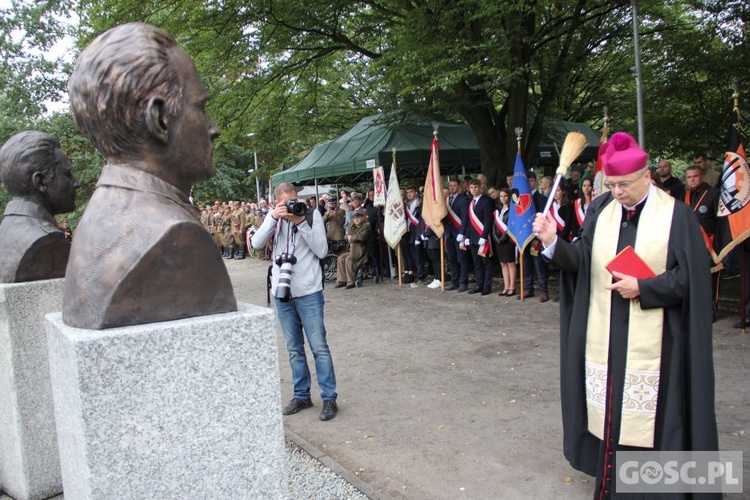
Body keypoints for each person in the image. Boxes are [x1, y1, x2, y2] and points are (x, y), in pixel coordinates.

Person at [533, 132, 718, 499]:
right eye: (612, 184)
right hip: (607, 338)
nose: (617, 192)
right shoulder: (601, 210)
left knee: (657, 420)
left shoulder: (677, 215)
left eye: (624, 185)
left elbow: (693, 279)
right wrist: (554, 242)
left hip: (658, 342)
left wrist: (646, 288)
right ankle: (614, 485)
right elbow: (583, 263)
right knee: (613, 415)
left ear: (646, 176)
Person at [63, 22, 237, 329]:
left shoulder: (100, 216)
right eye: (200, 107)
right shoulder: (172, 235)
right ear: (159, 119)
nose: (214, 128)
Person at [251, 182, 338, 421]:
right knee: (294, 349)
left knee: (319, 347)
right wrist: (272, 217)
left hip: (309, 291)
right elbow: (256, 244)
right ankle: (301, 395)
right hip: (283, 292)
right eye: (285, 202)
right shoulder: (274, 218)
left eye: (294, 200)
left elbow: (321, 250)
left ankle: (329, 397)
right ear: (276, 202)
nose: (291, 205)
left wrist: (301, 223)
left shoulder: (311, 215)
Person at [0, 130, 79, 282]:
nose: (76, 183)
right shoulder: (46, 243)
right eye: (67, 174)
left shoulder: (5, 230)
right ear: (40, 182)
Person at [459, 178, 494, 295]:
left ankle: (487, 286)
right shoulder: (470, 203)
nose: (473, 190)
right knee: (476, 263)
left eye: (476, 187)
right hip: (473, 238)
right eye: (471, 188)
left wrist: (484, 236)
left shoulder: (486, 201)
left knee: (486, 263)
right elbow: (468, 221)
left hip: (483, 237)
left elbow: (488, 220)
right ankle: (479, 284)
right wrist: (467, 236)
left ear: (480, 188)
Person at [443, 179, 470, 291]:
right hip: (449, 234)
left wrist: (462, 233)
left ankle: (463, 282)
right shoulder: (446, 200)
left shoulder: (463, 200)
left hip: (459, 234)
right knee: (452, 259)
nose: (452, 187)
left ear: (459, 187)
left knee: (462, 259)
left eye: (454, 185)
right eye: (450, 185)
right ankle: (454, 282)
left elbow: (465, 218)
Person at [335, 208, 371, 289]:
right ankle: (342, 280)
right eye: (354, 218)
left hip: (361, 250)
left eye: (358, 218)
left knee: (349, 259)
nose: (356, 220)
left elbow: (362, 237)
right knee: (340, 258)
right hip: (352, 249)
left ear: (362, 217)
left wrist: (351, 238)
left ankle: (351, 281)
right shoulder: (353, 226)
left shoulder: (366, 225)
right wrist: (347, 236)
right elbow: (346, 235)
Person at [492, 188, 516, 296]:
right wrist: (495, 237)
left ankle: (512, 287)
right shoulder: (498, 209)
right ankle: (506, 286)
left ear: (509, 197)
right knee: (503, 264)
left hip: (508, 240)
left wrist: (503, 238)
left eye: (505, 196)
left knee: (510, 263)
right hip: (498, 240)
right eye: (501, 196)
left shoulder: (513, 209)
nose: (503, 198)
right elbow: (494, 225)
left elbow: (511, 226)